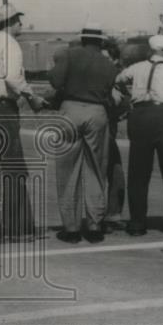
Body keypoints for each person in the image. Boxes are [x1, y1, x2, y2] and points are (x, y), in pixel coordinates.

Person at [48, 27, 119, 243]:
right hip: (97, 112)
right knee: (96, 170)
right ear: (101, 42)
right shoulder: (108, 64)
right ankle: (95, 226)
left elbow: (55, 82)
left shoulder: (69, 55)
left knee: (67, 170)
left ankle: (71, 229)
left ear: (83, 39)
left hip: (70, 110)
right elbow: (109, 91)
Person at [0, 3, 46, 243]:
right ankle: (16, 229)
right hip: (4, 111)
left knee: (11, 169)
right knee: (16, 170)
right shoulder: (10, 43)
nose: (21, 23)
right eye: (18, 19)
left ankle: (10, 223)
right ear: (9, 22)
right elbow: (12, 77)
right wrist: (32, 96)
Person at [115, 34, 163, 237]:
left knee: (138, 173)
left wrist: (129, 98)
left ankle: (137, 224)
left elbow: (118, 80)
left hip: (139, 116)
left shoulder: (136, 68)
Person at [101, 41, 128, 231]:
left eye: (107, 59)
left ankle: (113, 213)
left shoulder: (120, 78)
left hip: (108, 130)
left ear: (116, 60)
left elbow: (128, 101)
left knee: (115, 172)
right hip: (97, 129)